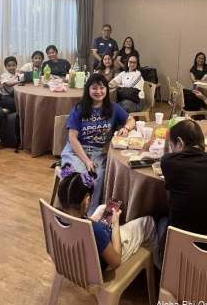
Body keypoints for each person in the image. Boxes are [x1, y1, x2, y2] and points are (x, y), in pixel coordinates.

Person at [158, 119, 207, 264]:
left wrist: (167, 143)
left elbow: (165, 157)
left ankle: (160, 268)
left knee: (159, 220)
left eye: (172, 145)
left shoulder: (170, 163)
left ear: (179, 143)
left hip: (179, 253)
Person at [61, 73, 136, 213]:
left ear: (107, 89)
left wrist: (126, 128)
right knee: (77, 178)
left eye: (102, 88)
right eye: (94, 88)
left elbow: (131, 120)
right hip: (76, 151)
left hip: (99, 153)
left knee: (96, 179)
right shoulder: (79, 109)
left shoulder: (113, 107)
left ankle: (90, 215)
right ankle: (68, 210)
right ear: (88, 90)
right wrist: (86, 161)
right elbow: (72, 138)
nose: (98, 91)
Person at [57, 168, 158, 270]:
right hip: (103, 263)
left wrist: (91, 220)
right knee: (148, 221)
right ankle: (156, 266)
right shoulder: (97, 231)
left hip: (79, 260)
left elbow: (84, 222)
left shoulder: (57, 218)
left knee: (102, 208)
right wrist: (115, 224)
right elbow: (116, 262)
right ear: (87, 200)